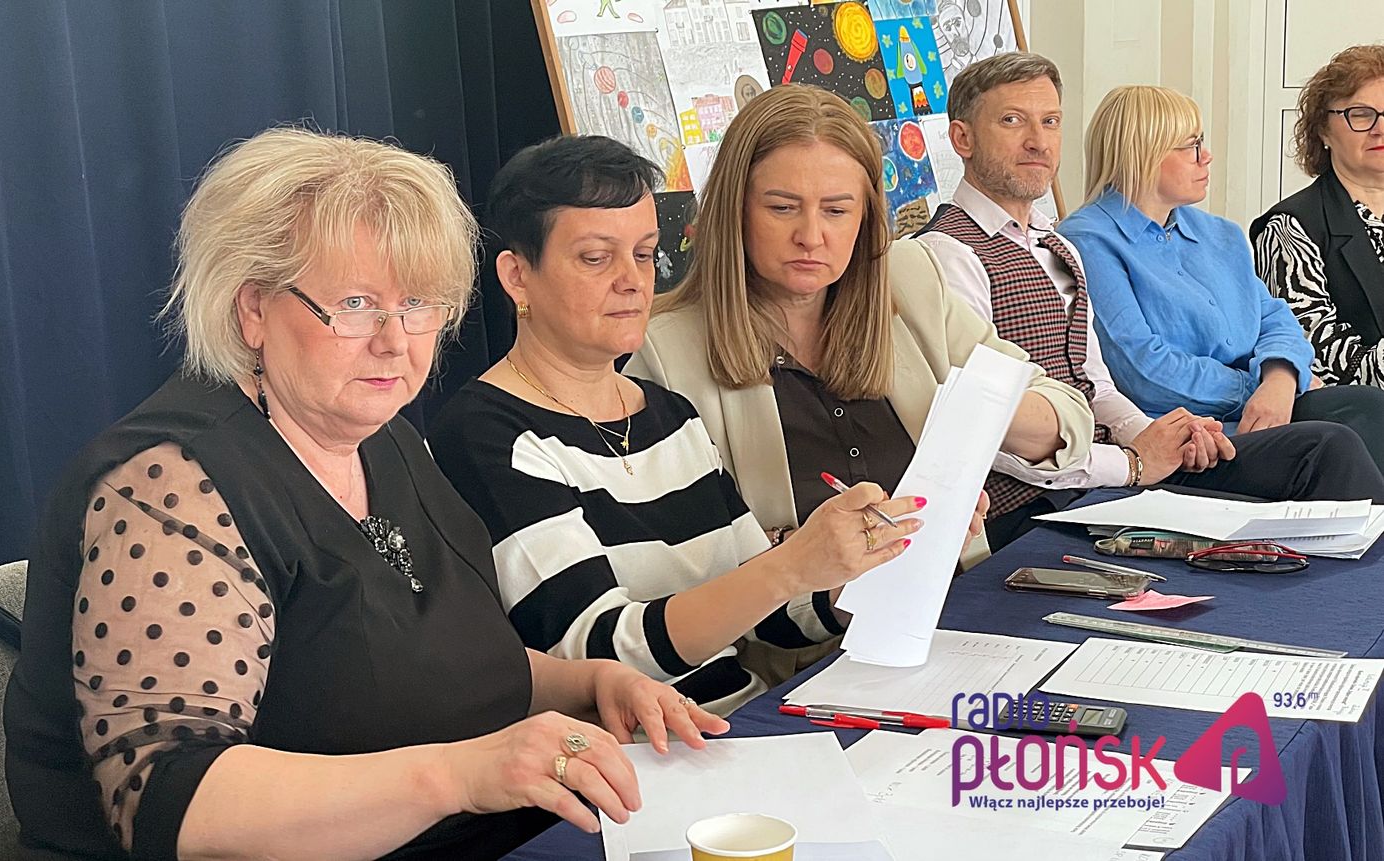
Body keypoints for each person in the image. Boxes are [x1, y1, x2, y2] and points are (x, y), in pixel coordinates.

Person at [2, 128, 728, 861]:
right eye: (354, 304)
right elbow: (174, 802)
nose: (394, 340)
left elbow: (439, 663)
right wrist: (460, 776)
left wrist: (590, 683)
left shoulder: (385, 441)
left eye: (417, 304)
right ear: (253, 309)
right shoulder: (166, 488)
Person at [430, 135, 935, 717]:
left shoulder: (667, 412)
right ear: (518, 276)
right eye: (596, 258)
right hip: (641, 751)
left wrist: (878, 555)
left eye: (644, 254)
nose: (632, 280)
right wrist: (790, 565)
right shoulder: (487, 434)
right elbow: (594, 653)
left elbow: (770, 619)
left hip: (741, 723)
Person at [626, 83, 1096, 569]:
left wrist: (977, 412)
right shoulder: (663, 350)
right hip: (801, 619)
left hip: (953, 594)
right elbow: (674, 560)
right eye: (782, 208)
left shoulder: (910, 276)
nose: (811, 236)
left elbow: (1070, 421)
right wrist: (807, 548)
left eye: (836, 210)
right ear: (734, 210)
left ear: (865, 217)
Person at [919, 54, 1384, 545]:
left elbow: (1095, 381)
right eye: (1013, 120)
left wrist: (1275, 381)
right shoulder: (1001, 247)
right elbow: (1138, 369)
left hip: (1163, 438)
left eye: (1050, 121)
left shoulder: (1055, 243)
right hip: (1093, 469)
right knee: (1335, 441)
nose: (1038, 140)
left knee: (1361, 413)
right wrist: (1145, 454)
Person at [1059, 85, 1384, 472]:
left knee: (1368, 408)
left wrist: (1280, 380)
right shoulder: (1088, 240)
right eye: (1192, 145)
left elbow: (1275, 319)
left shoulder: (1220, 234)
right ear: (1143, 154)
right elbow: (1142, 368)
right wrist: (1257, 389)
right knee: (1343, 436)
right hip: (1192, 434)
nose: (1206, 156)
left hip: (1268, 409)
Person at [1253, 45, 1384, 388]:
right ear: (1323, 131)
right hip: (1357, 413)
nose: (1380, 128)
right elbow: (1316, 357)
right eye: (1361, 114)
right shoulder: (1289, 228)